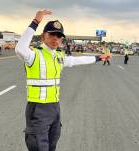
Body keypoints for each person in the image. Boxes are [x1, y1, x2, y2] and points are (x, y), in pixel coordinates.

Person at [15, 9, 107, 151]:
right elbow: (20, 48)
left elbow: (78, 60)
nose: (55, 38)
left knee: (52, 145)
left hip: (55, 108)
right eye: (52, 34)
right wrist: (36, 21)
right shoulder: (34, 55)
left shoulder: (59, 57)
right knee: (39, 147)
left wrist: (98, 58)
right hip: (37, 109)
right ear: (43, 36)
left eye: (59, 36)